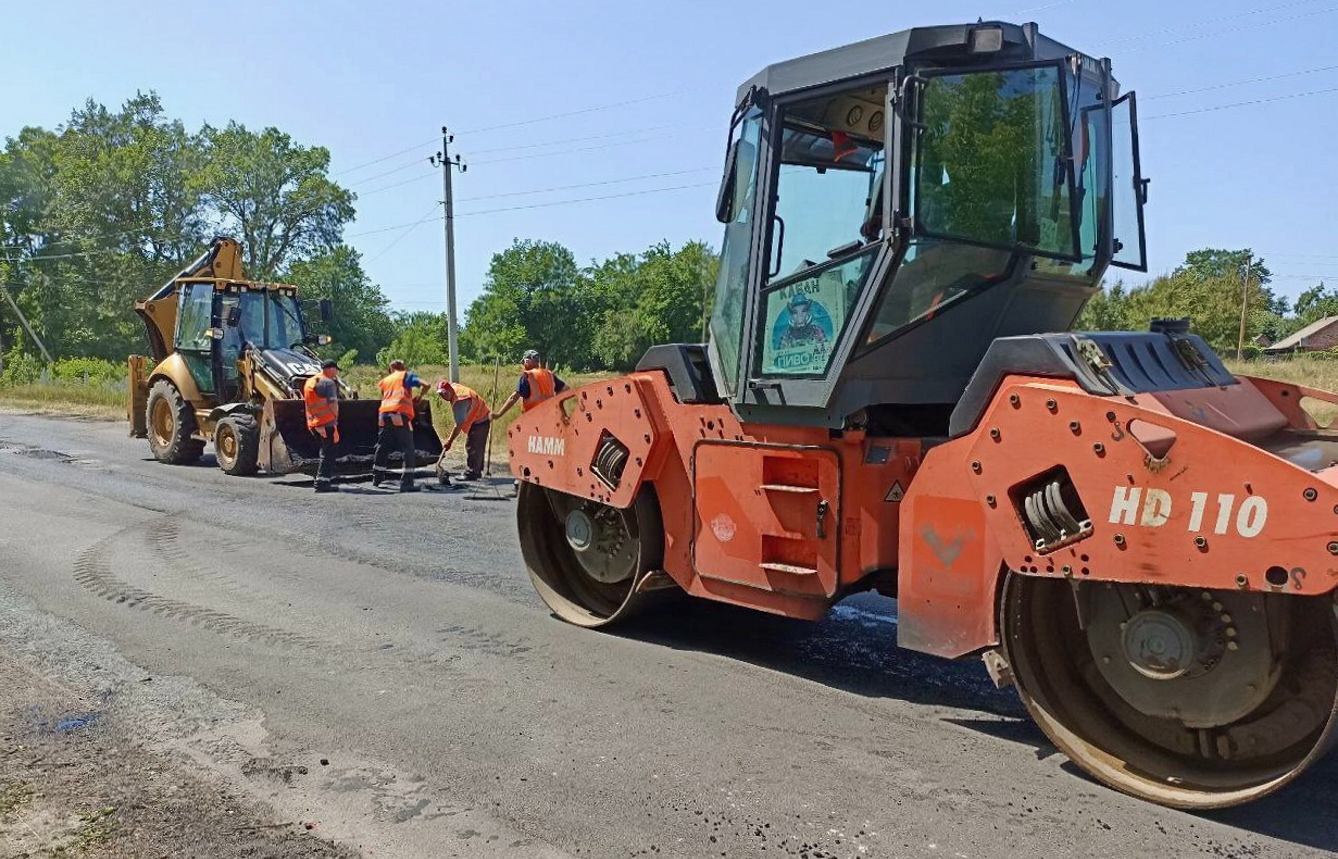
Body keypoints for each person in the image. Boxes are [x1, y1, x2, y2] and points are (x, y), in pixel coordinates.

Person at [372, 359, 431, 491]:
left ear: (390, 369)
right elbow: (427, 385)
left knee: (382, 446)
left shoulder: (385, 381)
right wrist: (420, 396)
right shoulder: (406, 375)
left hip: (383, 416)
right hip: (399, 415)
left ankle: (377, 478)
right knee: (408, 448)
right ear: (403, 367)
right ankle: (407, 483)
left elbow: (384, 397)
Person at [436, 380, 491, 481]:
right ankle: (477, 470)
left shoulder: (460, 401)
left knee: (472, 446)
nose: (443, 396)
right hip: (481, 415)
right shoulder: (454, 388)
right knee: (477, 446)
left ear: (450, 390)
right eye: (441, 394)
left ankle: (472, 473)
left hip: (480, 419)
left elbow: (459, 425)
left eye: (445, 393)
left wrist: (449, 441)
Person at [491, 350, 568, 421]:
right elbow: (566, 389)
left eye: (524, 362)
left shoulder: (527, 376)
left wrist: (499, 414)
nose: (523, 365)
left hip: (533, 419)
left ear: (527, 361)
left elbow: (513, 398)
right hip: (550, 417)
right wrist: (556, 402)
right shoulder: (549, 375)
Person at [303, 359, 341, 494]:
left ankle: (324, 480)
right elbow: (333, 404)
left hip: (314, 423)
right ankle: (321, 482)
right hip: (327, 422)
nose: (336, 373)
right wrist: (335, 419)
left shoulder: (310, 382)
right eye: (336, 369)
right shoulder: (328, 383)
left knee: (325, 451)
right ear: (330, 369)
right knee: (328, 453)